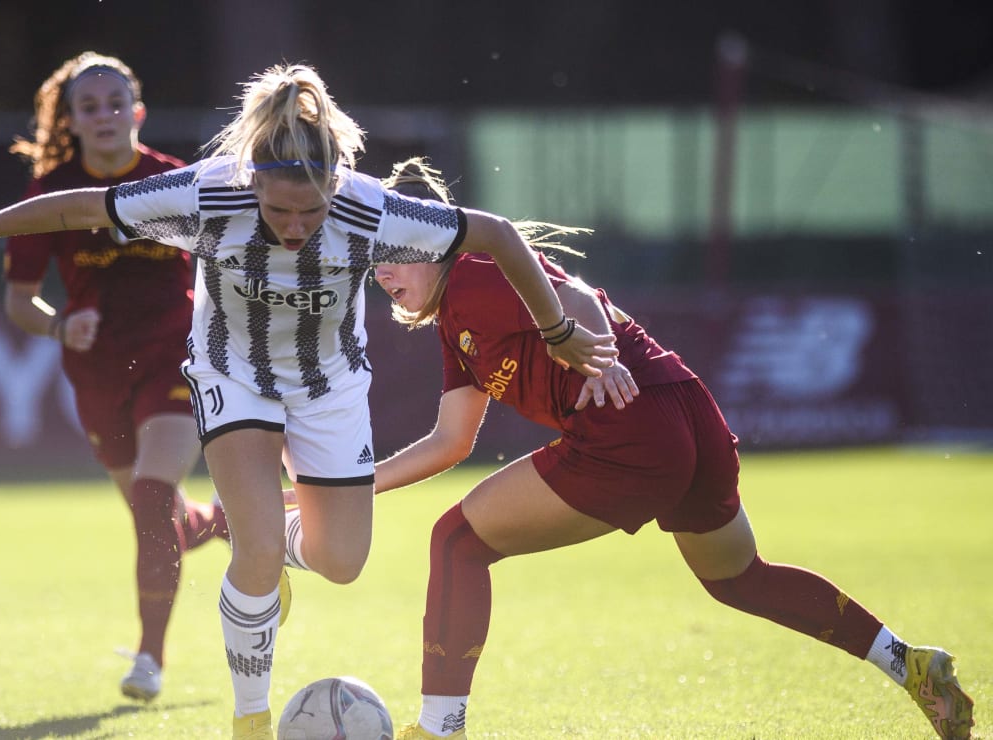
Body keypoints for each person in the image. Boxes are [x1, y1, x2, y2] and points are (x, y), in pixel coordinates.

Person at [0, 63, 618, 739]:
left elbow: (492, 232)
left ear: (337, 183)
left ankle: (275, 540)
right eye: (280, 210)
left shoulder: (367, 206)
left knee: (341, 562)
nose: (296, 224)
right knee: (258, 550)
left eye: (311, 210)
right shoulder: (208, 193)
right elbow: (80, 207)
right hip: (229, 376)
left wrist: (556, 329)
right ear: (253, 184)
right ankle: (250, 718)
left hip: (330, 388)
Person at [370, 158, 975, 740]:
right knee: (739, 578)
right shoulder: (456, 317)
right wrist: (353, 484)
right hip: (686, 409)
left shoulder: (474, 274)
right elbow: (451, 441)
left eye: (390, 256)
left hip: (631, 430)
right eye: (372, 265)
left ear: (431, 242)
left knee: (457, 541)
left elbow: (575, 297)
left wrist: (599, 357)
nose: (381, 275)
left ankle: (439, 729)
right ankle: (909, 663)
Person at [4, 51, 231, 702]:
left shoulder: (176, 181)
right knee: (161, 521)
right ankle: (215, 521)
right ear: (71, 120)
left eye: (114, 103)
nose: (102, 115)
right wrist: (57, 326)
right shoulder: (49, 193)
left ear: (138, 112)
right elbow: (19, 301)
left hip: (175, 356)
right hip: (98, 372)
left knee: (153, 502)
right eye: (88, 106)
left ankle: (150, 659)